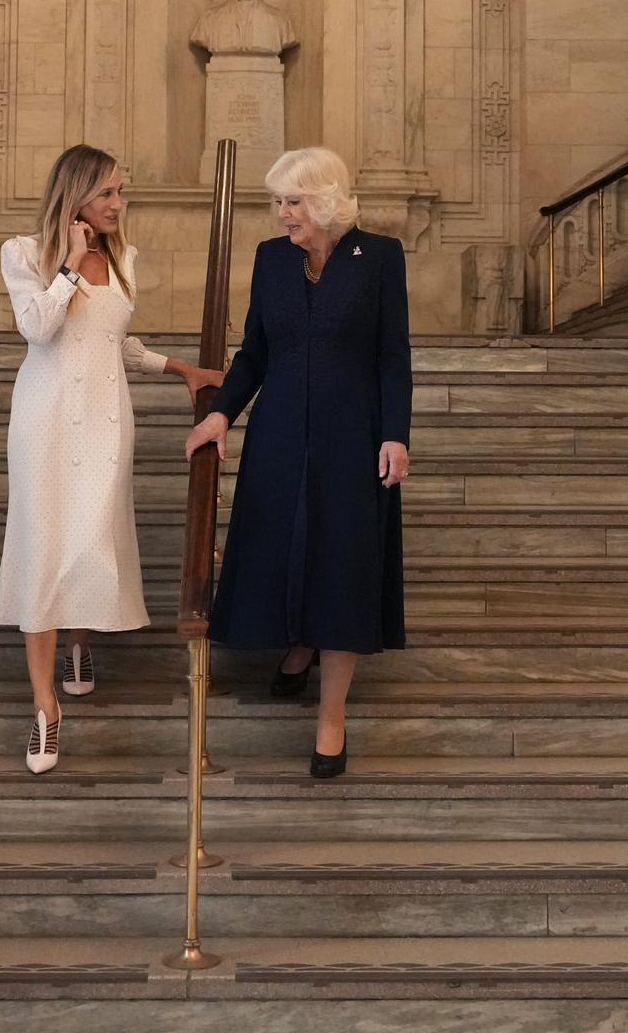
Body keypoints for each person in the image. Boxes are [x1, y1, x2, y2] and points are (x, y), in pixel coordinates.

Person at [0, 146, 220, 774]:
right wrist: (69, 263)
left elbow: (110, 342)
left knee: (91, 540)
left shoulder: (124, 259)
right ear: (76, 196)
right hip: (43, 420)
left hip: (104, 421)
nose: (119, 204)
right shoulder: (23, 253)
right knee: (43, 547)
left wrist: (179, 368)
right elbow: (38, 328)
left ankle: (79, 641)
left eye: (122, 192)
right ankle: (45, 706)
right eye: (108, 193)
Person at [184, 146, 411, 779]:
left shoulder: (379, 257)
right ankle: (298, 643)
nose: (283, 214)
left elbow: (393, 355)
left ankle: (331, 716)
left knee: (343, 567)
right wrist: (221, 414)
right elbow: (254, 351)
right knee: (284, 548)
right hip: (279, 434)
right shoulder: (271, 258)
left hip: (353, 438)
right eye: (279, 202)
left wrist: (395, 436)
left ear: (327, 201)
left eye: (294, 202)